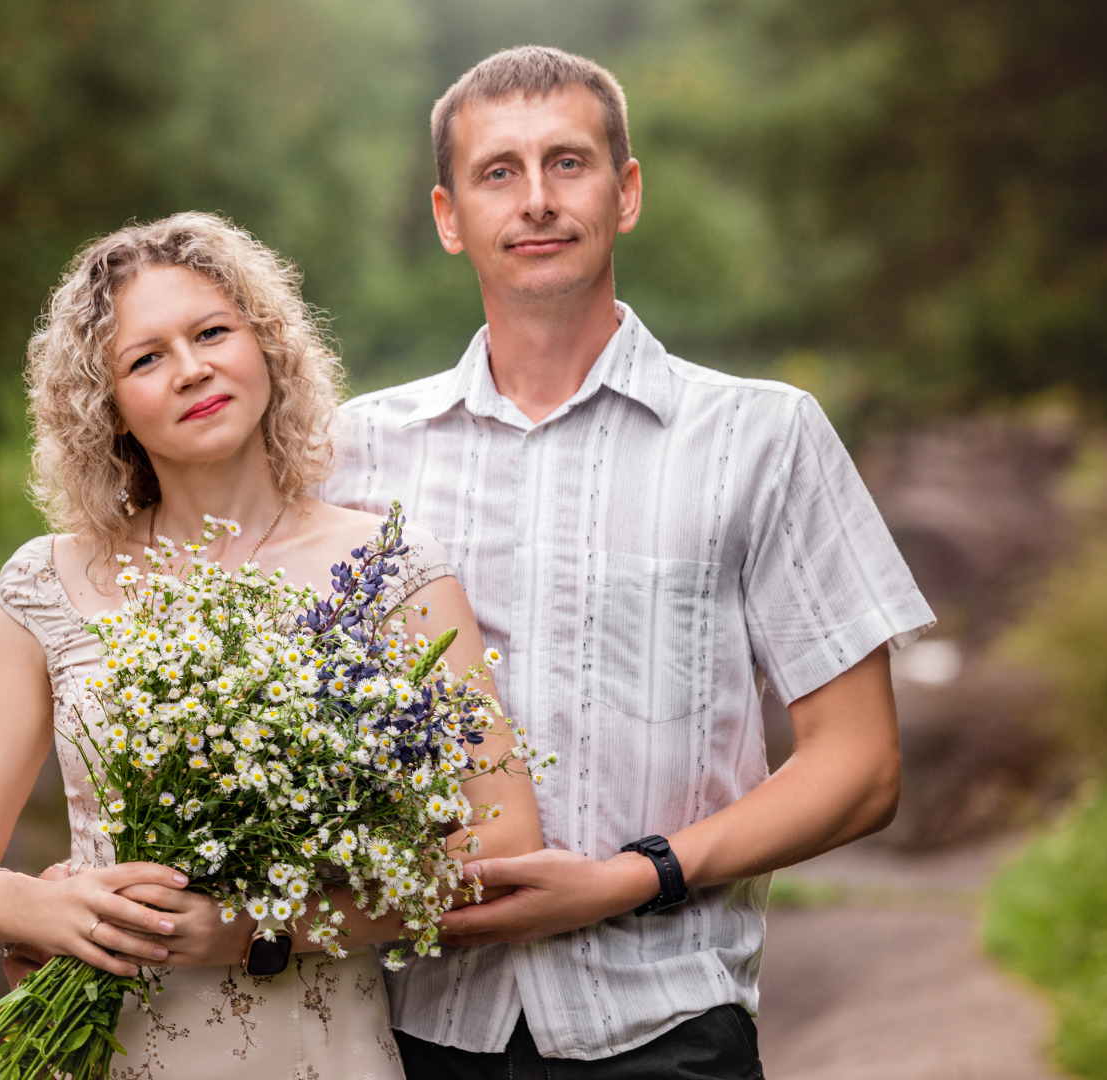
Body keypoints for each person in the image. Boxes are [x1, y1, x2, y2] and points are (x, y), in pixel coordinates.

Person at [318, 46, 935, 1078]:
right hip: (408, 1030)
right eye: (498, 172)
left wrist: (631, 879)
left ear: (627, 190)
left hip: (665, 1029)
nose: (538, 201)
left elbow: (860, 766)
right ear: (447, 216)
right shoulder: (352, 452)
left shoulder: (762, 437)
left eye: (569, 162)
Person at [0, 211, 544, 1077]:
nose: (191, 369)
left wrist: (254, 930)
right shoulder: (47, 582)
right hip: (115, 1044)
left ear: (268, 346)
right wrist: (35, 911)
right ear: (109, 409)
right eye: (145, 358)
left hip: (323, 1047)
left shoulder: (389, 565)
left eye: (212, 332)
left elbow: (499, 845)